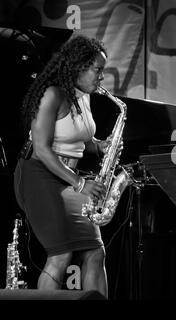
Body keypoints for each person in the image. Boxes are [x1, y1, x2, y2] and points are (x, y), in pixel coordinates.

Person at [13, 35, 110, 297]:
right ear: (79, 67)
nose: (102, 77)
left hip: (67, 177)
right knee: (61, 254)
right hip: (37, 174)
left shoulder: (84, 96)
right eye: (98, 70)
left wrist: (100, 145)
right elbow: (43, 150)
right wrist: (81, 184)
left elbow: (78, 137)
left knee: (94, 251)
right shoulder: (51, 94)